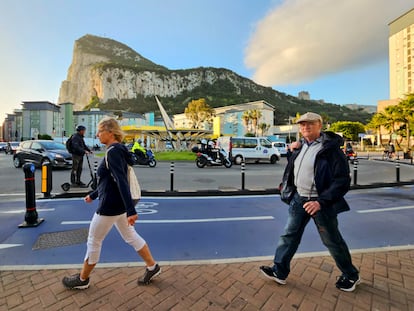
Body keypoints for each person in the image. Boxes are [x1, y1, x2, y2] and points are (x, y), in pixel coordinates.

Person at [260, 112, 360, 292]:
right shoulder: (301, 146)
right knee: (289, 236)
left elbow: (342, 181)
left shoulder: (331, 150)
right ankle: (279, 271)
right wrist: (287, 185)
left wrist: (321, 202)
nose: (305, 127)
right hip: (299, 199)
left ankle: (351, 275)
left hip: (320, 203)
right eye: (302, 124)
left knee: (332, 240)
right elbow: (296, 168)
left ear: (320, 125)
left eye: (310, 124)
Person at [62, 117, 160, 289]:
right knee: (130, 236)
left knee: (94, 240)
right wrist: (93, 194)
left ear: (110, 132)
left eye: (100, 131)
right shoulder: (118, 150)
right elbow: (109, 181)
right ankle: (153, 267)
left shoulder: (113, 151)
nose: (98, 134)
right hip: (119, 205)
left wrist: (131, 210)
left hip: (110, 207)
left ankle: (83, 279)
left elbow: (121, 181)